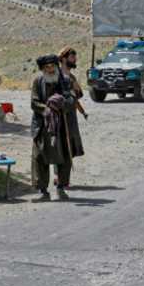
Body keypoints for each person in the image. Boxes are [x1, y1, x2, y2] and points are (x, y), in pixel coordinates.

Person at [30, 54, 74, 201]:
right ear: (43, 69)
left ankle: (61, 189)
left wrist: (62, 103)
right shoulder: (38, 81)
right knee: (39, 157)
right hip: (42, 126)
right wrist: (46, 110)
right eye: (46, 67)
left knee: (63, 157)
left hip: (61, 126)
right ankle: (43, 191)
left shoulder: (65, 80)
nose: (49, 69)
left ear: (56, 67)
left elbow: (71, 99)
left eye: (52, 67)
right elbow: (34, 103)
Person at [56, 46, 86, 189]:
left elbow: (78, 96)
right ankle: (58, 176)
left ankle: (64, 177)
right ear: (63, 59)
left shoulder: (72, 77)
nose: (74, 60)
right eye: (72, 57)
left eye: (75, 57)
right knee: (59, 144)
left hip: (71, 116)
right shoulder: (56, 75)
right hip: (59, 115)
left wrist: (82, 111)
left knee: (70, 144)